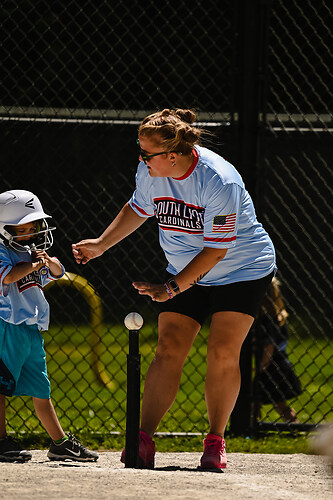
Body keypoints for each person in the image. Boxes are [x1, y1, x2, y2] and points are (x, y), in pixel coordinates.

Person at [72, 108, 276, 471]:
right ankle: (142, 439)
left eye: (146, 153)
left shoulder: (218, 180)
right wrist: (101, 244)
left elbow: (216, 250)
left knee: (222, 351)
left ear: (173, 156)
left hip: (241, 270)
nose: (140, 158)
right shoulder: (152, 172)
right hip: (184, 267)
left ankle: (215, 440)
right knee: (168, 347)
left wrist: (171, 287)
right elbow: (139, 208)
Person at [0, 189, 98, 463]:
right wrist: (32, 264)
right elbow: (8, 277)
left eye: (34, 226)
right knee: (0, 386)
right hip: (7, 326)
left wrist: (51, 265)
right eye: (25, 226)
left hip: (30, 330)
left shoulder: (30, 252)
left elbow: (55, 274)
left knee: (41, 388)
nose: (32, 231)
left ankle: (59, 443)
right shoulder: (3, 251)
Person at [253, 277, 302, 423]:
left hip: (271, 367)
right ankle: (294, 424)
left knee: (255, 397)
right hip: (281, 364)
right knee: (278, 403)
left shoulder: (266, 319)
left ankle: (249, 425)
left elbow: (269, 345)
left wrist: (261, 366)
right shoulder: (279, 317)